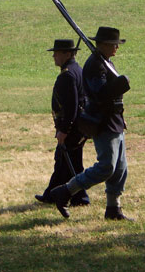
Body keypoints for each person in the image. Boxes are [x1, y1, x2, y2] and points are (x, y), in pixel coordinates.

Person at [50, 27, 131, 220]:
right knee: (106, 167)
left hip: (114, 120)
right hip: (102, 122)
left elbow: (111, 95)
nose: (116, 48)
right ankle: (67, 190)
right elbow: (100, 93)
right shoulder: (95, 65)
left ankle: (113, 208)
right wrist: (119, 85)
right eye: (113, 45)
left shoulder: (105, 62)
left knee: (120, 168)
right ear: (102, 44)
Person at [35, 39, 90, 207]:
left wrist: (64, 130)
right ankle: (52, 194)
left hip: (72, 128)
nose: (54, 56)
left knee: (70, 163)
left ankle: (80, 198)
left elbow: (71, 106)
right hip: (79, 126)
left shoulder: (68, 74)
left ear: (67, 54)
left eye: (57, 53)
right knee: (64, 161)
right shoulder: (77, 70)